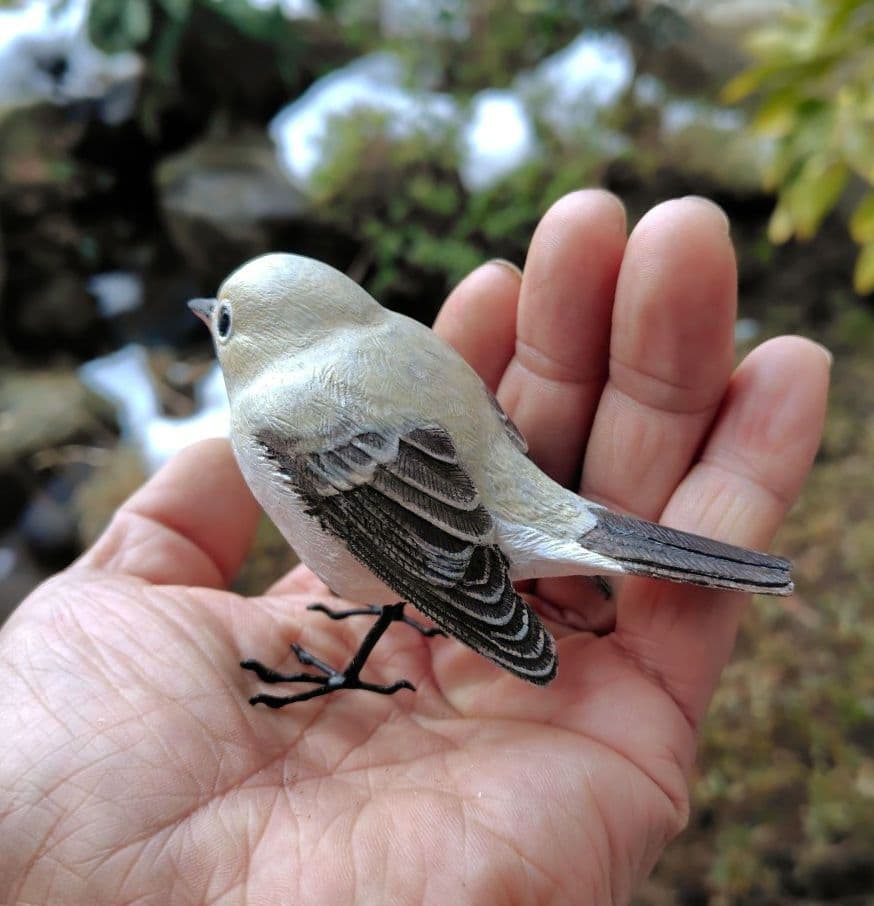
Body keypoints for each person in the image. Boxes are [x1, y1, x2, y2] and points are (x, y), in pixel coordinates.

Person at [0, 192, 829, 905]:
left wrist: (471, 592)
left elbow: (385, 523)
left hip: (444, 524)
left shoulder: (274, 410)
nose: (214, 332)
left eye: (223, 323)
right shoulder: (395, 332)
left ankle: (368, 653)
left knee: (414, 574)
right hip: (482, 489)